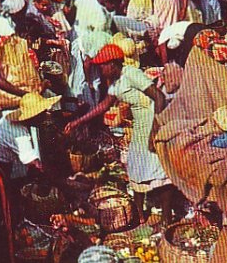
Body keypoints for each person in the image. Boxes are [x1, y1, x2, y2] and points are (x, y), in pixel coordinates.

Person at [65, 44, 181, 224]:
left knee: (159, 169)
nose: (101, 70)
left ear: (112, 64)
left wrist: (155, 130)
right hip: (141, 125)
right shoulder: (116, 83)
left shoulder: (131, 74)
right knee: (135, 167)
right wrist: (77, 122)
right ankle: (139, 214)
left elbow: (159, 97)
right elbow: (104, 106)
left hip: (154, 118)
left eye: (103, 66)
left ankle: (166, 218)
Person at [0, 92, 57, 181]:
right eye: (42, 114)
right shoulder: (20, 135)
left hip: (4, 156)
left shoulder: (9, 114)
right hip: (6, 168)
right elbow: (35, 164)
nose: (44, 116)